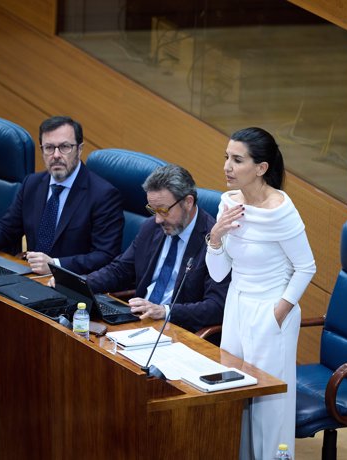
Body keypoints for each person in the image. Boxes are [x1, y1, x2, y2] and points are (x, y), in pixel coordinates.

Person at [205, 127, 316, 459]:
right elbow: (218, 272)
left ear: (261, 168)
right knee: (234, 392)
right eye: (226, 157)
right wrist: (215, 236)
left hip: (271, 311)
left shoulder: (280, 211)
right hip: (236, 307)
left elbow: (307, 267)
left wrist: (278, 313)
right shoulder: (229, 202)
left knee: (269, 407)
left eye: (237, 160)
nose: (227, 166)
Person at [0, 116, 124, 275]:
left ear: (79, 149)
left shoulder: (103, 195)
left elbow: (105, 256)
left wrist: (55, 265)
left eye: (64, 147)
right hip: (30, 276)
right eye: (49, 148)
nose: (56, 155)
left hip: (72, 284)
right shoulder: (33, 184)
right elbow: (6, 229)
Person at [83, 164, 228, 333]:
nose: (158, 219)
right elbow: (119, 270)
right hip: (139, 321)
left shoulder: (214, 240)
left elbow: (216, 307)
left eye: (163, 210)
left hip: (179, 331)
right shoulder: (151, 227)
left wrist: (165, 311)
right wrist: (81, 283)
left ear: (188, 202)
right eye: (153, 210)